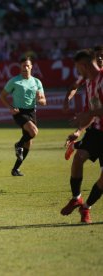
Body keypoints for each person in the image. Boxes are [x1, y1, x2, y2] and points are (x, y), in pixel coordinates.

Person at [60, 48, 103, 224]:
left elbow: (91, 111)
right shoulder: (87, 80)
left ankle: (86, 207)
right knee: (79, 159)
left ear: (84, 66)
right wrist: (78, 130)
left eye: (78, 68)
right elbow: (74, 88)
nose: (78, 72)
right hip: (97, 131)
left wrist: (89, 113)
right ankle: (76, 197)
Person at [0, 56, 47, 176]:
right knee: (34, 132)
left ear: (31, 67)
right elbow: (3, 96)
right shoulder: (14, 81)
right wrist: (10, 107)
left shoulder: (37, 82)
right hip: (19, 112)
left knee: (29, 143)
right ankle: (18, 145)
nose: (25, 68)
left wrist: (41, 100)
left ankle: (15, 169)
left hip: (32, 112)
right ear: (20, 67)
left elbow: (43, 100)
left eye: (27, 65)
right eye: (23, 66)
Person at [63, 45, 103, 160]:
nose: (100, 58)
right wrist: (67, 100)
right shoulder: (87, 76)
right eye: (97, 56)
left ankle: (75, 145)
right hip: (93, 119)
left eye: (102, 56)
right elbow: (74, 87)